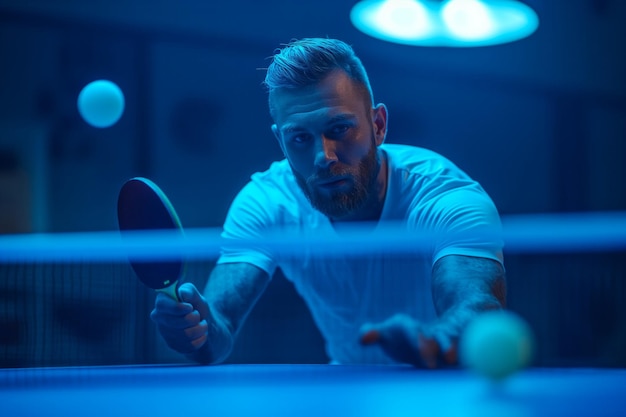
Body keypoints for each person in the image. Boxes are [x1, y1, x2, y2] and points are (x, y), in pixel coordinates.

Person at [150, 38, 506, 368]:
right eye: (301, 138)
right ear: (281, 142)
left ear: (378, 125)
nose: (324, 156)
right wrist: (195, 333)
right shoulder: (267, 203)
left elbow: (476, 308)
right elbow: (218, 333)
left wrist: (434, 339)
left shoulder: (444, 197)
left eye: (339, 129)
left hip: (450, 394)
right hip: (346, 393)